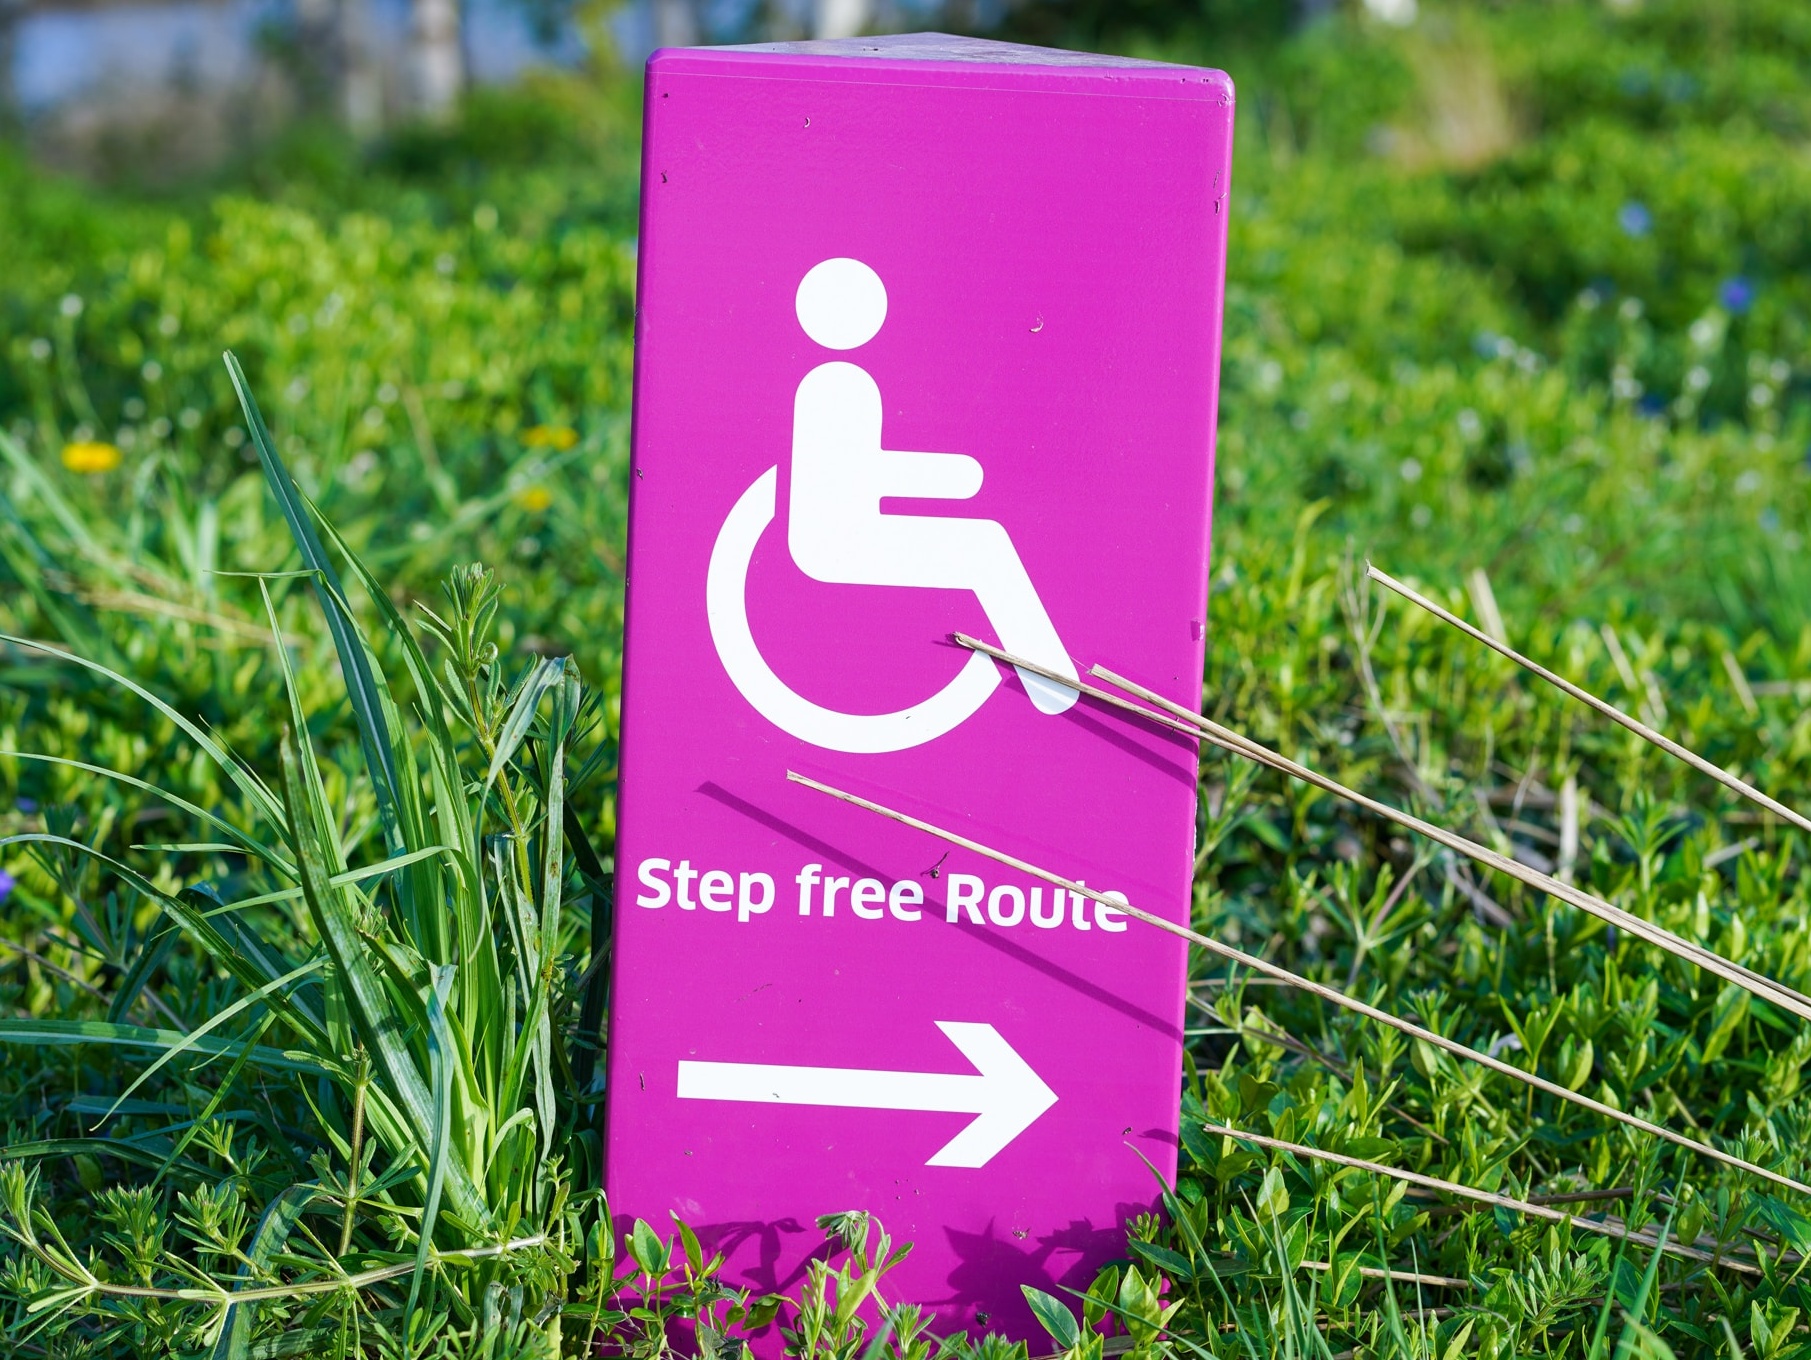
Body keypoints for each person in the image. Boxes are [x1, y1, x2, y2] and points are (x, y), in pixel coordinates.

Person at [786, 257, 1079, 716]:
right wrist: (954, 477)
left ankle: (1050, 681)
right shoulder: (837, 385)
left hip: (857, 525)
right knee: (983, 546)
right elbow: (851, 479)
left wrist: (953, 478)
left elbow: (864, 476)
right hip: (837, 541)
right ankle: (1055, 689)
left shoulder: (842, 381)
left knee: (984, 543)